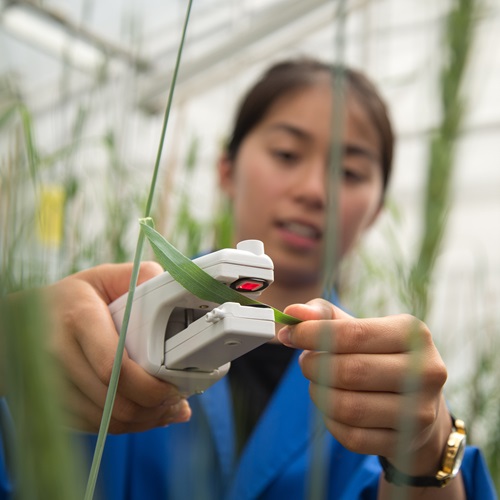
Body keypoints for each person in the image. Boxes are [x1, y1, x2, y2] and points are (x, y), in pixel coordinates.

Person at [0, 58, 496, 499]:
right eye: (286, 154)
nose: (313, 191)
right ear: (227, 169)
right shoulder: (113, 319)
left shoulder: (379, 386)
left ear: (376, 210)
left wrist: (427, 453)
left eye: (349, 172)